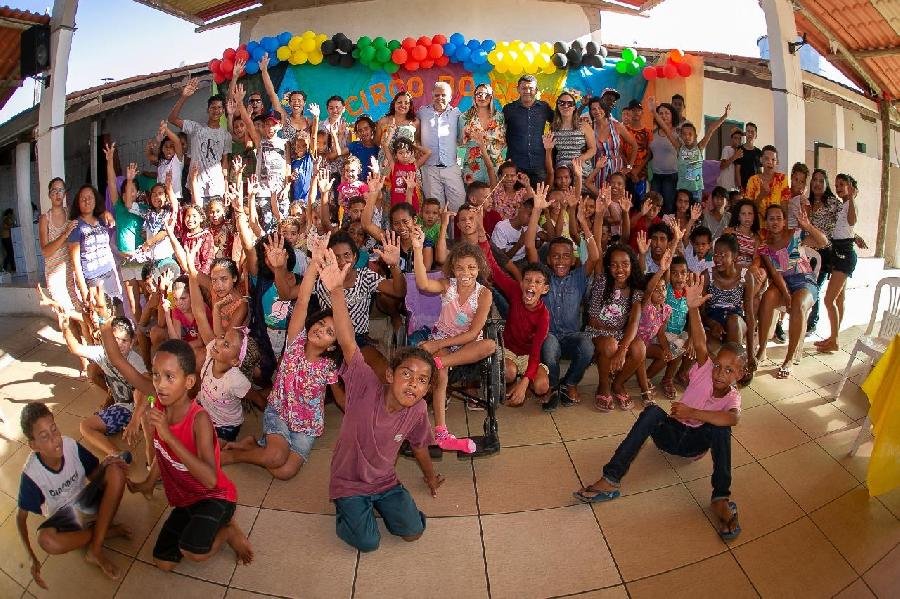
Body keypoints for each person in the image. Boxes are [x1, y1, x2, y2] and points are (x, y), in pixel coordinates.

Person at [574, 273, 745, 542]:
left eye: (729, 370)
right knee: (652, 411)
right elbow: (699, 340)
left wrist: (693, 413)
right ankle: (611, 479)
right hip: (671, 435)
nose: (720, 373)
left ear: (739, 375)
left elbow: (732, 419)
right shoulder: (705, 369)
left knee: (721, 428)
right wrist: (692, 308)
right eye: (719, 366)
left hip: (695, 443)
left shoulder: (733, 397)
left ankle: (720, 497)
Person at [319, 248, 443, 553]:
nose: (413, 383)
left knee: (413, 532)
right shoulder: (364, 383)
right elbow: (348, 341)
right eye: (407, 374)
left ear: (427, 390)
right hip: (348, 482)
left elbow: (419, 446)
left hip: (384, 481)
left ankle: (385, 507)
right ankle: (346, 510)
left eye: (422, 380)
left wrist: (429, 477)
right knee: (368, 542)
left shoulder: (417, 411)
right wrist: (336, 290)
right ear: (389, 375)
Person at [105, 330, 254, 570]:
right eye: (155, 376)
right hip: (187, 498)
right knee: (163, 562)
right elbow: (118, 361)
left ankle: (227, 533)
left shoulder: (199, 421)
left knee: (192, 551)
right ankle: (208, 525)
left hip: (214, 496)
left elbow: (209, 478)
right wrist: (103, 322)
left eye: (169, 377)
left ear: (189, 382)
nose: (160, 385)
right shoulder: (161, 398)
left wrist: (169, 436)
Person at [221, 235, 342, 479]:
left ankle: (252, 446)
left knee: (284, 472)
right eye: (320, 323)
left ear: (332, 346)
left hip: (306, 427)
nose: (320, 330)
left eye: (330, 332)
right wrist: (313, 263)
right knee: (275, 457)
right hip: (279, 411)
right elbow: (303, 300)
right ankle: (232, 455)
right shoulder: (296, 341)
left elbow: (341, 399)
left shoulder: (329, 366)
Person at [16, 402, 129, 586]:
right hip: (67, 519)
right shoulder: (31, 475)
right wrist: (31, 557)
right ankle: (103, 530)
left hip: (86, 501)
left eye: (54, 429)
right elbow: (20, 518)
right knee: (46, 540)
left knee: (116, 471)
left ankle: (95, 547)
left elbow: (93, 475)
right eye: (44, 436)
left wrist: (106, 465)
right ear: (33, 445)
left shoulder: (70, 445)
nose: (55, 439)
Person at [409, 229, 494, 452]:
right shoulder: (448, 286)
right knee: (442, 372)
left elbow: (473, 333)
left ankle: (440, 362)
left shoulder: (484, 294)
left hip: (466, 343)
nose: (466, 272)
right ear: (453, 269)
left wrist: (435, 346)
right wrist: (418, 249)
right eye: (460, 267)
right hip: (443, 338)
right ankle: (441, 432)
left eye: (472, 267)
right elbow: (423, 284)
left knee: (490, 345)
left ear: (479, 269)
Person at [524, 187, 601, 410]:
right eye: (555, 256)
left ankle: (570, 383)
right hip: (548, 339)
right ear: (547, 260)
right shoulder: (543, 276)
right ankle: (553, 386)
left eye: (566, 256)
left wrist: (583, 222)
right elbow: (530, 245)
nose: (560, 261)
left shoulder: (578, 277)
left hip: (571, 337)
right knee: (549, 343)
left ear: (573, 260)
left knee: (587, 344)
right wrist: (538, 210)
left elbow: (595, 256)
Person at [477, 204, 552, 407]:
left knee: (542, 386)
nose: (531, 285)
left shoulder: (544, 315)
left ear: (544, 289)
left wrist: (526, 381)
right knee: (508, 372)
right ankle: (513, 381)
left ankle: (522, 385)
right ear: (522, 282)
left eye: (537, 283)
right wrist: (483, 239)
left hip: (529, 356)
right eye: (528, 280)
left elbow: (536, 351)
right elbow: (494, 267)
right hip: (509, 351)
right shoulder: (516, 291)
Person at [755, 205, 828, 378]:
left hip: (805, 281)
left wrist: (808, 226)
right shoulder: (765, 247)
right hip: (783, 283)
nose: (775, 222)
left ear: (785, 220)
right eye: (771, 218)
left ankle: (788, 359)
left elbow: (823, 242)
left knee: (798, 303)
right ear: (766, 222)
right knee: (768, 297)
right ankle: (762, 350)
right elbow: (774, 273)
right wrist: (786, 294)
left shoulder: (796, 234)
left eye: (778, 218)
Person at [587, 242, 646, 411]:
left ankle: (618, 384)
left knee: (639, 348)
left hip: (618, 334)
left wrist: (623, 349)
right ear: (608, 266)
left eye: (625, 264)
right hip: (596, 334)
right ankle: (604, 385)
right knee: (611, 344)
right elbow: (593, 320)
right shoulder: (602, 282)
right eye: (614, 265)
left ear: (632, 265)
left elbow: (634, 321)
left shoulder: (635, 289)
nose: (620, 269)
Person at [649, 96, 730, 203]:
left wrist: (724, 117)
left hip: (696, 190)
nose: (687, 137)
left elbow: (711, 129)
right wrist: (654, 112)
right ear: (680, 136)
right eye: (684, 134)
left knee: (695, 215)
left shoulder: (699, 148)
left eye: (690, 134)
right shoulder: (679, 148)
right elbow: (666, 129)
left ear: (695, 136)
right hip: (682, 190)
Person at [814, 173, 859, 353]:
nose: (839, 187)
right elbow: (846, 229)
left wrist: (852, 197)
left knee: (828, 299)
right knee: (839, 298)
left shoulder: (850, 204)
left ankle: (834, 340)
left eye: (843, 184)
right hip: (839, 251)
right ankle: (835, 337)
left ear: (851, 187)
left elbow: (852, 221)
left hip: (844, 255)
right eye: (837, 184)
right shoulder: (842, 205)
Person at [168, 78, 230, 201]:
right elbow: (172, 119)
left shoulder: (225, 135)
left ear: (223, 111)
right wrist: (184, 96)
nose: (216, 110)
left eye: (219, 108)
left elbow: (225, 162)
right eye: (213, 107)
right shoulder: (196, 128)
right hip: (196, 186)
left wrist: (226, 186)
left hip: (217, 187)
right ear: (208, 110)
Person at [67, 185, 120, 318]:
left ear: (95, 200)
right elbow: (75, 262)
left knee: (114, 313)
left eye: (90, 197)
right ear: (77, 203)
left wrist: (105, 213)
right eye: (82, 198)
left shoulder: (102, 220)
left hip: (109, 273)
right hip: (93, 278)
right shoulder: (76, 226)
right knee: (102, 317)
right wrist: (83, 289)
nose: (86, 201)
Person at [416, 82, 465, 210]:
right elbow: (415, 133)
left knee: (458, 205)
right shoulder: (422, 112)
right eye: (437, 95)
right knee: (435, 209)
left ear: (450, 97)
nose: (440, 98)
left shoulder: (457, 114)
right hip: (429, 167)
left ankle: (456, 231)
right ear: (432, 95)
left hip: (451, 166)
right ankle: (441, 231)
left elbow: (462, 138)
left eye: (444, 95)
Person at [503, 74, 554, 186]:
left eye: (531, 88)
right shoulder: (508, 109)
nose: (527, 91)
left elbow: (559, 122)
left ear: (536, 90)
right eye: (524, 88)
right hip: (516, 166)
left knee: (539, 200)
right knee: (516, 202)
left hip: (539, 165)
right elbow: (498, 131)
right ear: (518, 89)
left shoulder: (544, 108)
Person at [39, 178, 79, 313]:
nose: (57, 194)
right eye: (54, 191)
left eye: (60, 190)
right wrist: (65, 234)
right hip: (55, 273)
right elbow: (45, 251)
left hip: (72, 270)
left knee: (79, 309)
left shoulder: (71, 213)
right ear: (49, 195)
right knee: (65, 314)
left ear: (65, 193)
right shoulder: (45, 219)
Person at [459, 82, 506, 185]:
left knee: (495, 196)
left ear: (491, 97)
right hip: (473, 166)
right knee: (474, 197)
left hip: (495, 164)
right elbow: (460, 142)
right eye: (479, 94)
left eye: (486, 94)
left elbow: (504, 142)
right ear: (474, 97)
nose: (482, 97)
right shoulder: (464, 117)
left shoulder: (499, 117)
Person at [259, 53, 311, 141]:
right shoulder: (285, 118)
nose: (296, 103)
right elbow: (272, 94)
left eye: (299, 100)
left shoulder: (310, 121)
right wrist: (264, 70)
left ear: (304, 103)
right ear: (289, 103)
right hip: (287, 154)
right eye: (293, 100)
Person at [545, 90, 596, 172]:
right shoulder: (554, 127)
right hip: (561, 175)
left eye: (570, 103)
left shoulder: (584, 125)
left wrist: (579, 160)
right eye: (562, 103)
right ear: (557, 106)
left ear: (574, 107)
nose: (566, 106)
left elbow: (593, 149)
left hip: (581, 170)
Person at [745, 145, 788, 229]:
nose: (770, 162)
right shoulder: (753, 180)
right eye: (766, 158)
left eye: (773, 159)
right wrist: (761, 195)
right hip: (758, 228)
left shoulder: (782, 179)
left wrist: (784, 228)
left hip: (777, 229)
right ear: (761, 160)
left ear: (777, 162)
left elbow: (784, 207)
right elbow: (749, 210)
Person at [647, 102, 680, 213]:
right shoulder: (654, 133)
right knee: (653, 206)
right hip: (656, 176)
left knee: (668, 207)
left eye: (667, 113)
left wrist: (653, 111)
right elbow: (649, 154)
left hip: (671, 176)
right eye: (660, 113)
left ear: (672, 116)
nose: (663, 116)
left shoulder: (677, 133)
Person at [621, 99, 653, 205]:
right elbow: (620, 151)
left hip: (641, 174)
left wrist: (637, 170)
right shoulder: (623, 130)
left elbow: (649, 153)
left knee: (641, 204)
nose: (635, 113)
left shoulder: (648, 132)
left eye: (638, 110)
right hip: (626, 173)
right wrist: (630, 169)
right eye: (633, 110)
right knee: (626, 203)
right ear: (629, 112)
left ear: (642, 112)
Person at [736, 122, 762, 193]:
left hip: (756, 187)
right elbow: (737, 170)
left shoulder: (759, 152)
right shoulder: (740, 149)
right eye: (748, 131)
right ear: (745, 133)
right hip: (744, 187)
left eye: (752, 132)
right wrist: (740, 187)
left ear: (756, 135)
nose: (750, 134)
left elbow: (759, 170)